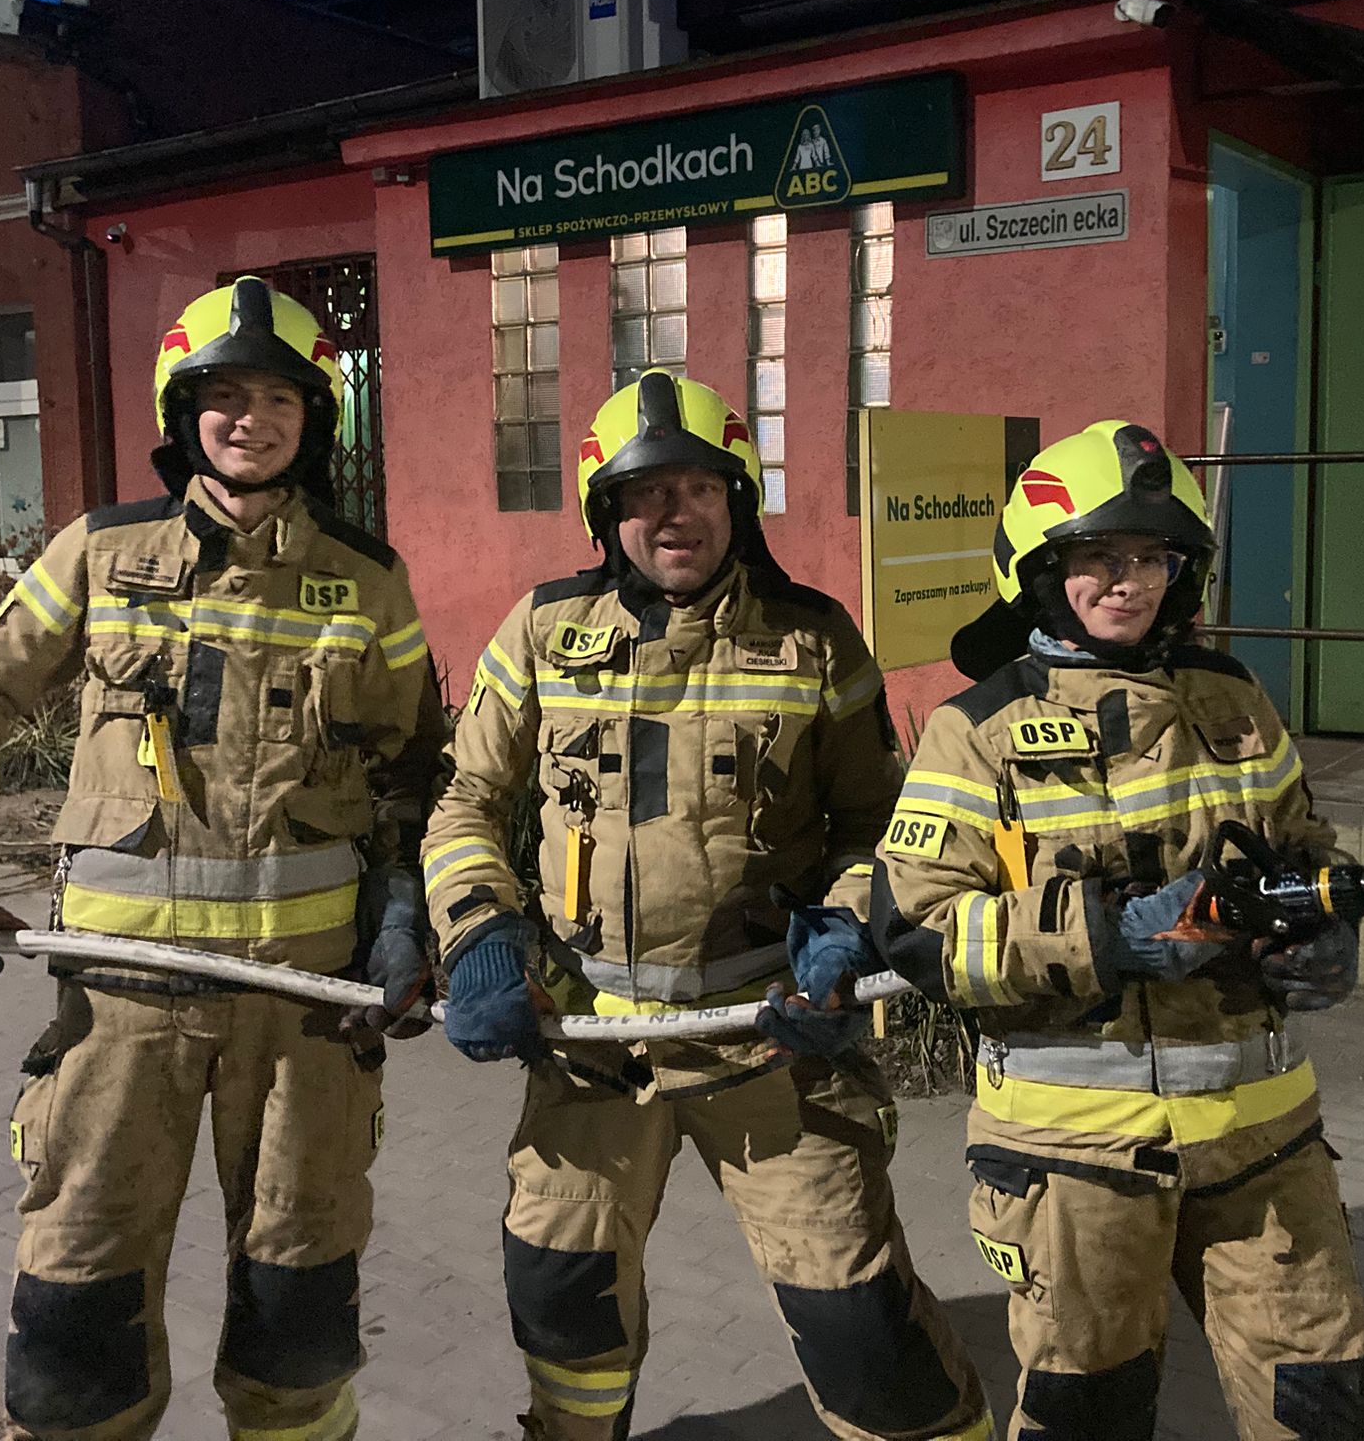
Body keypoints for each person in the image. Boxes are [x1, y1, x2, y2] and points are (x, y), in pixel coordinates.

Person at [0, 277, 444, 1441]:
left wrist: (406, 916)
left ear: (314, 418)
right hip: (120, 1005)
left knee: (300, 1308)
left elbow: (413, 768)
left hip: (305, 1012)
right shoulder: (102, 550)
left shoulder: (367, 577)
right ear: (182, 411)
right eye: (223, 395)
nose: (250, 419)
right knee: (77, 1312)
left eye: (278, 398)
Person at [422, 370, 991, 1441]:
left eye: (698, 487)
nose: (673, 513)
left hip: (767, 1038)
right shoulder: (542, 628)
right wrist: (482, 934)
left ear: (737, 501)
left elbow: (879, 826)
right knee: (561, 1303)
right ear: (605, 512)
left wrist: (841, 932)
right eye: (645, 493)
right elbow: (465, 802)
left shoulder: (815, 638)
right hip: (590, 1045)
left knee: (859, 1328)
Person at [873, 420, 1364, 1441]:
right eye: (1098, 557)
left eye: (1152, 557)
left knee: (1336, 1409)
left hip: (1263, 1142)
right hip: (1072, 1160)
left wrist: (1320, 926)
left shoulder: (1233, 699)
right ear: (1041, 570)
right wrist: (1109, 937)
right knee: (1088, 1414)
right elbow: (918, 933)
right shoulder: (974, 731)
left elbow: (1299, 846)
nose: (1128, 582)